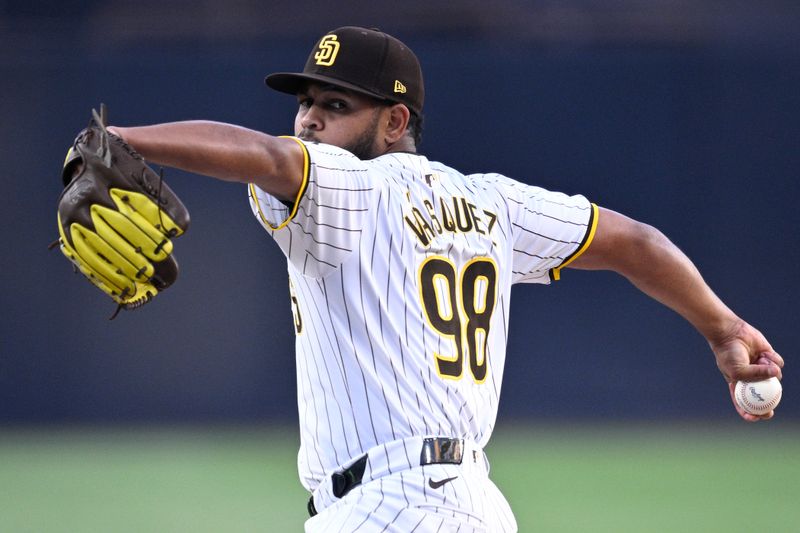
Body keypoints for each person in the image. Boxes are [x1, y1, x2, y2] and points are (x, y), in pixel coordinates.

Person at [107, 26, 783, 533]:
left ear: (394, 121)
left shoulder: (347, 184)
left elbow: (263, 154)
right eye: (305, 101)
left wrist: (119, 140)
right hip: (474, 506)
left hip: (386, 507)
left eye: (335, 104)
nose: (310, 119)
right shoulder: (493, 204)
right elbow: (637, 242)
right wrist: (723, 327)